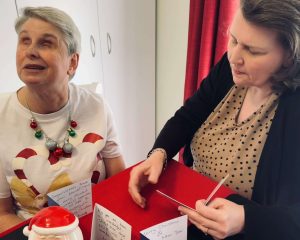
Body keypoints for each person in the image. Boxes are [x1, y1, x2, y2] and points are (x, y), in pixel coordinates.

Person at [128, 0, 300, 239]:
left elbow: (294, 219)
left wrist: (244, 219)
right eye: (234, 40)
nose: (234, 57)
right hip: (189, 215)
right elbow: (187, 117)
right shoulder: (230, 70)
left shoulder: (293, 110)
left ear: (289, 58)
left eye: (253, 51)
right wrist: (159, 154)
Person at [0, 6, 125, 233]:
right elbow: (2, 214)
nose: (30, 51)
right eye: (24, 41)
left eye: (45, 43)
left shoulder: (97, 106)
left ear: (72, 62)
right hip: (33, 233)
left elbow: (119, 183)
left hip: (95, 226)